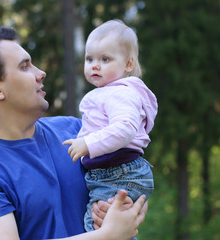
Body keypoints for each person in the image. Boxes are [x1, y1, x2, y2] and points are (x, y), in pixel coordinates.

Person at [0, 25, 148, 240]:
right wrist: (108, 236)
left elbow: (132, 183)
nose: (41, 73)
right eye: (25, 67)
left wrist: (121, 205)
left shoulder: (78, 131)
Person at [63, 19, 158, 232]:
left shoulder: (120, 93)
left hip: (117, 172)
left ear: (128, 64)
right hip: (116, 173)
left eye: (105, 59)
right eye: (90, 58)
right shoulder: (110, 92)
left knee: (96, 227)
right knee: (105, 227)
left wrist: (88, 143)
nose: (95, 65)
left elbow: (125, 128)